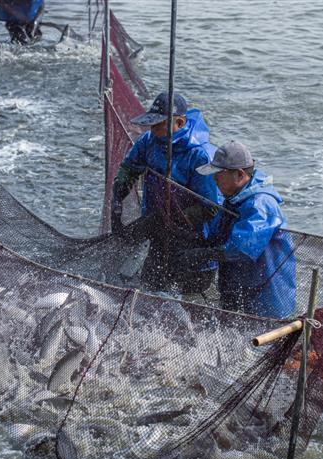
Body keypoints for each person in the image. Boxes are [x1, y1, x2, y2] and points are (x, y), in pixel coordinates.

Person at [110, 91, 221, 293]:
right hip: (159, 230)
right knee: (149, 288)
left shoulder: (199, 155)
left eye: (159, 125)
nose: (153, 130)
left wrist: (172, 220)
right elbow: (130, 168)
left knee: (187, 297)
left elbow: (210, 208)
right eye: (152, 125)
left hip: (193, 240)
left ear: (179, 123)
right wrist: (118, 195)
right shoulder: (149, 141)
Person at [173, 141, 296, 319]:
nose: (214, 180)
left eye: (219, 174)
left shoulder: (260, 205)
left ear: (239, 175)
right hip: (238, 285)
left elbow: (241, 249)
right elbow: (218, 235)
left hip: (267, 296)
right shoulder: (233, 199)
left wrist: (202, 254)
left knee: (258, 339)